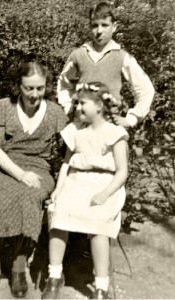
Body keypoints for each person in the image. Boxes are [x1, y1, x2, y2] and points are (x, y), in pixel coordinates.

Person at [0, 61, 67, 298]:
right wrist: (20, 174)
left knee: (28, 196)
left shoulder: (55, 112)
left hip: (38, 169)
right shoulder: (3, 106)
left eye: (40, 89)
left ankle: (19, 266)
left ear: (47, 87)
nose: (34, 95)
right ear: (18, 86)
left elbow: (68, 150)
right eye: (28, 88)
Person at [42, 82, 129, 299]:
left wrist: (105, 193)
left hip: (104, 185)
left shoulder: (115, 133)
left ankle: (101, 284)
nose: (77, 108)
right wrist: (58, 190)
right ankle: (54, 274)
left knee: (98, 222)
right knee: (59, 212)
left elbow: (122, 172)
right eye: (76, 103)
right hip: (76, 182)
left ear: (99, 105)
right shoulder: (75, 131)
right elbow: (66, 164)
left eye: (82, 103)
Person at [57, 2, 155, 127]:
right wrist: (69, 109)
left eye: (104, 25)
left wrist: (131, 119)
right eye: (94, 25)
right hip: (81, 130)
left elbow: (146, 90)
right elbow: (63, 85)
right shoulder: (78, 55)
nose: (99, 31)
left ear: (114, 26)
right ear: (89, 26)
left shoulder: (122, 57)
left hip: (110, 130)